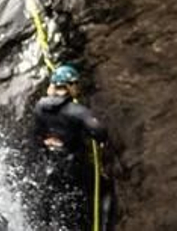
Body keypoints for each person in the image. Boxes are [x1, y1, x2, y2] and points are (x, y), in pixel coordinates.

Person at [35, 65, 117, 230]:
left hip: (52, 165)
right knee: (105, 189)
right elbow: (99, 132)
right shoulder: (77, 111)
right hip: (74, 167)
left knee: (57, 201)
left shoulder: (39, 107)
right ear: (69, 86)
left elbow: (37, 136)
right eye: (75, 84)